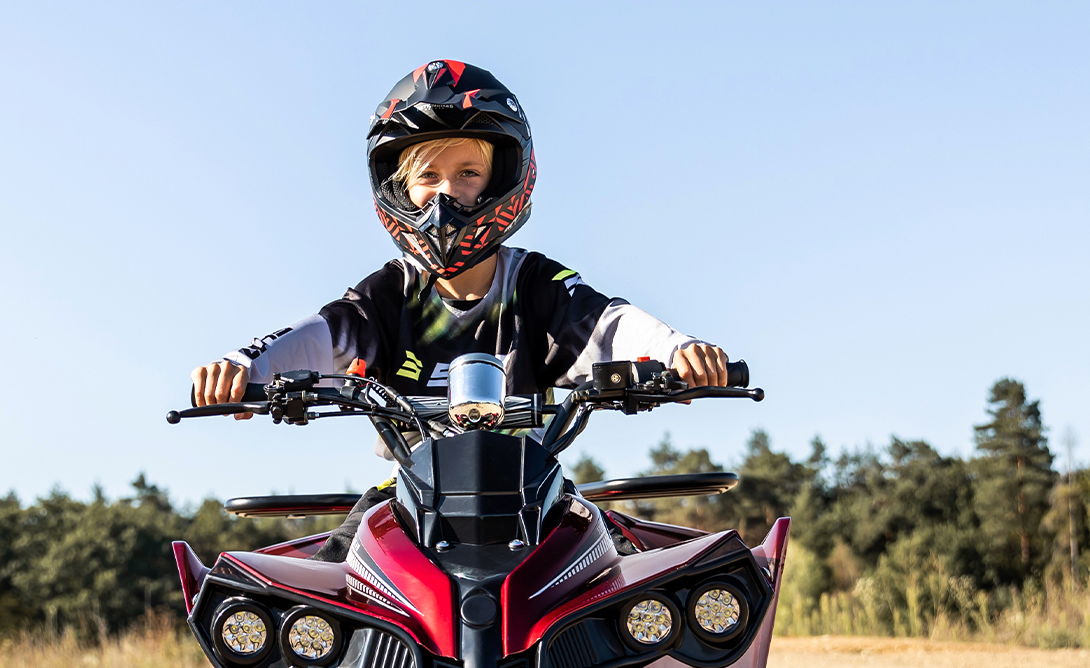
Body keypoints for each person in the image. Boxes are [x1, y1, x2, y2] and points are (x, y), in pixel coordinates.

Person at [192, 59, 729, 424]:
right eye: (427, 176)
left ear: (503, 180)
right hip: (406, 500)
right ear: (397, 189)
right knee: (328, 581)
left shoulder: (539, 286)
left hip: (534, 494)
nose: (446, 194)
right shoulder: (388, 294)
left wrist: (678, 352)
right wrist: (244, 367)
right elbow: (321, 335)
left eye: (468, 172)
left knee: (621, 574)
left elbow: (610, 325)